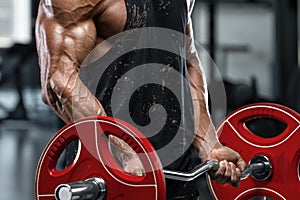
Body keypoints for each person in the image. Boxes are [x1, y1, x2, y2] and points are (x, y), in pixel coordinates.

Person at [35, 0, 246, 199]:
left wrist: (209, 145)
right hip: (104, 174)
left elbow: (187, 61)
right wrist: (122, 151)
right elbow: (59, 81)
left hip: (175, 174)